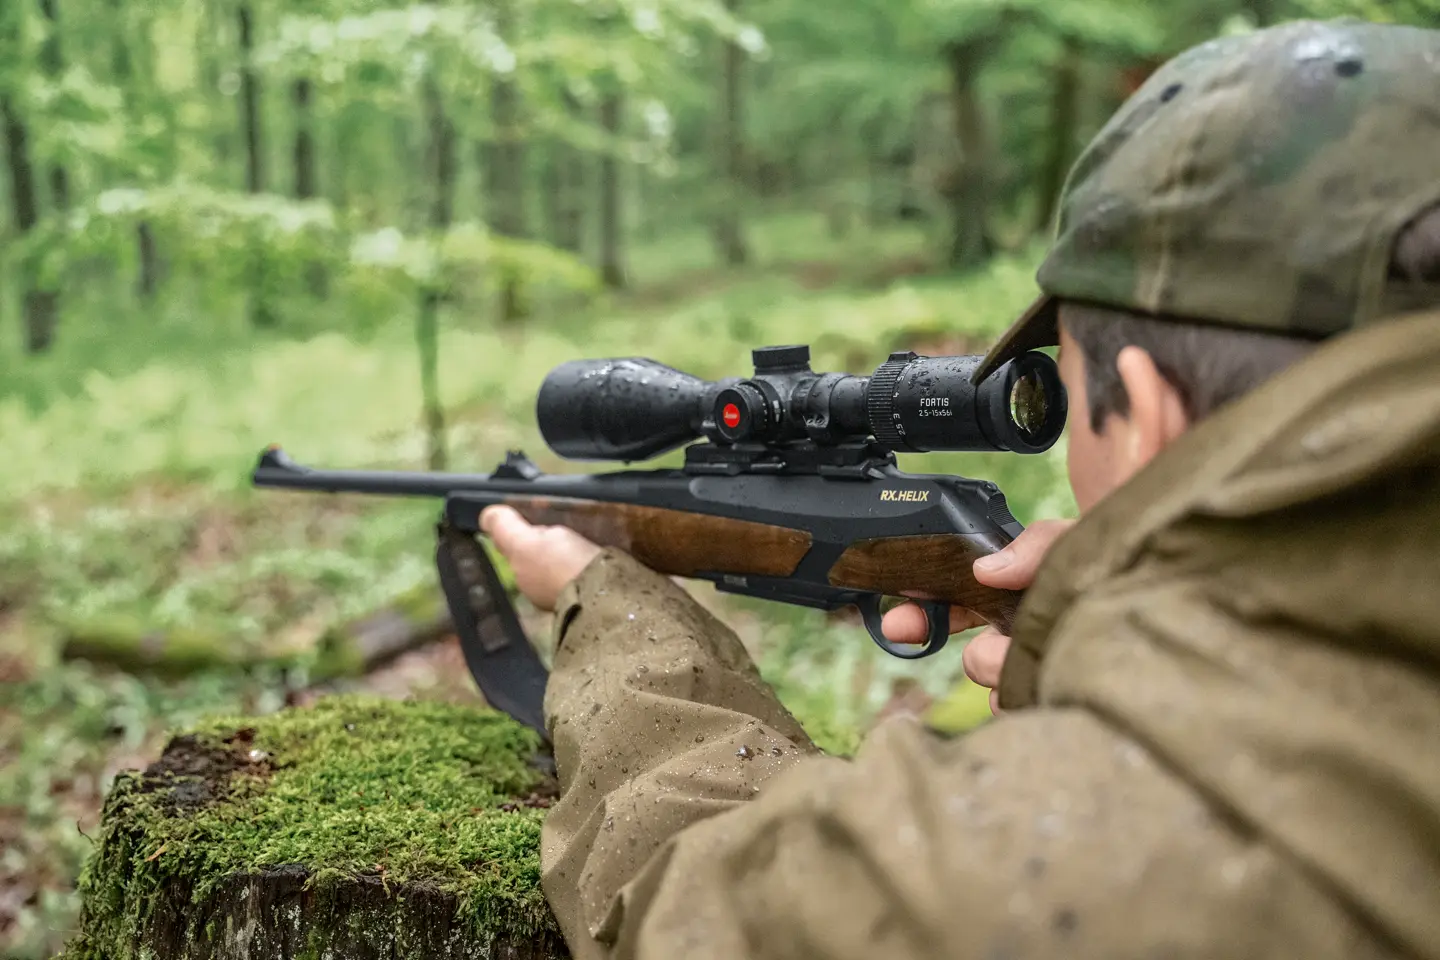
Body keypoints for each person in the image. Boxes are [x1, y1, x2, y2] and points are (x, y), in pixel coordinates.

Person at [481, 19, 1440, 960]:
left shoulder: (1080, 861)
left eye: (1074, 387)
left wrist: (616, 617)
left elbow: (689, 912)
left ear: (1144, 416)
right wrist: (1135, 632)